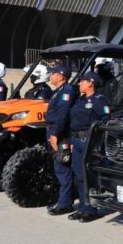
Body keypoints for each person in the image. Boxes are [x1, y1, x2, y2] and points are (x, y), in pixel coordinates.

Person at [67, 71, 110, 222]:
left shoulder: (99, 101)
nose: (79, 84)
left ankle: (91, 209)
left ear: (90, 83)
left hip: (88, 141)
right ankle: (83, 207)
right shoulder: (80, 100)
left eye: (82, 81)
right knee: (78, 175)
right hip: (77, 140)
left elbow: (105, 121)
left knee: (87, 175)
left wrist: (96, 142)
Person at [45, 64, 78, 216]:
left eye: (53, 73)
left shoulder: (67, 91)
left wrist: (55, 134)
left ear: (61, 76)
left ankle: (65, 204)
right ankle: (62, 199)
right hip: (52, 131)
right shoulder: (57, 91)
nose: (50, 76)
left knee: (62, 168)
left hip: (60, 134)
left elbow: (63, 115)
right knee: (58, 168)